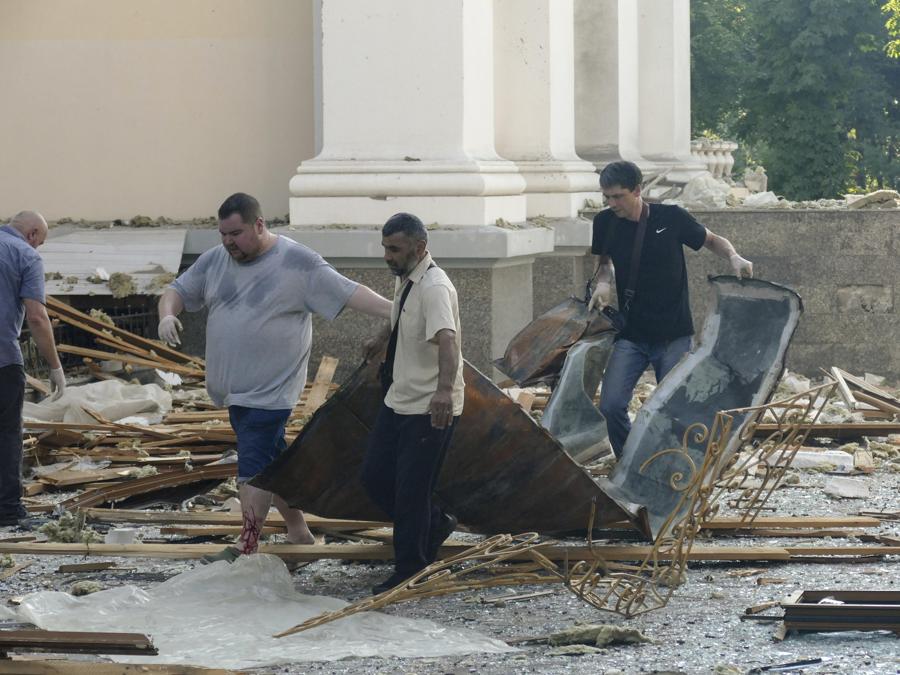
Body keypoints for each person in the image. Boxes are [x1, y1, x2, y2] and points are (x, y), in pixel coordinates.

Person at [157, 193, 392, 562]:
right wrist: (167, 315)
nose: (228, 242)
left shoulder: (296, 261)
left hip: (269, 393)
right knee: (274, 463)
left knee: (253, 465)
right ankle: (299, 533)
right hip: (234, 392)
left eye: (236, 234)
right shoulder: (216, 260)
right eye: (223, 234)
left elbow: (348, 291)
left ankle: (246, 545)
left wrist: (397, 310)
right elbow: (177, 290)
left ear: (259, 225)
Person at [587, 161, 753, 459]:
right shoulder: (604, 222)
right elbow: (603, 263)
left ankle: (671, 466)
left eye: (618, 196)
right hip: (631, 334)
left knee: (675, 410)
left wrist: (734, 257)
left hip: (673, 334)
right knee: (610, 405)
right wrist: (602, 283)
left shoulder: (671, 217)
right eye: (606, 197)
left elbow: (712, 240)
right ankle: (630, 463)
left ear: (637, 190)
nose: (612, 204)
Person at [360, 212, 465, 595]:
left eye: (394, 249)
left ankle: (409, 570)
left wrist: (443, 391)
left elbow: (448, 341)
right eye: (385, 248)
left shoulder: (435, 287)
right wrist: (380, 338)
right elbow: (400, 313)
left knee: (411, 491)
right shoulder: (407, 277)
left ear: (419, 247)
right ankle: (434, 524)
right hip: (399, 398)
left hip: (428, 406)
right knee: (374, 477)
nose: (387, 256)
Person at [1, 211, 66, 527]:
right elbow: (37, 317)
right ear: (32, 234)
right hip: (2, 360)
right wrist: (55, 366)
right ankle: (8, 510)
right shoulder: (25, 255)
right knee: (6, 434)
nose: (38, 248)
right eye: (39, 242)